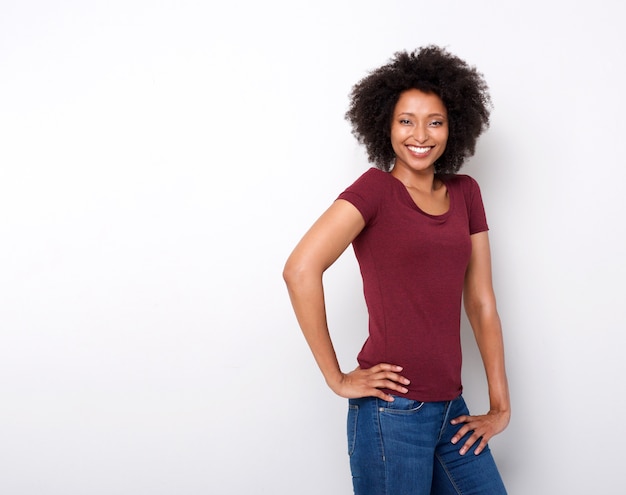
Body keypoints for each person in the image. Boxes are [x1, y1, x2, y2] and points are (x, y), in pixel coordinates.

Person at [282, 45, 510, 495]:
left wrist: (500, 405)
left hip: (453, 409)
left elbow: (481, 302)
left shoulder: (466, 193)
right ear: (385, 124)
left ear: (454, 127)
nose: (420, 134)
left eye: (435, 121)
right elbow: (300, 269)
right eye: (406, 120)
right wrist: (337, 377)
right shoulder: (374, 191)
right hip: (391, 412)